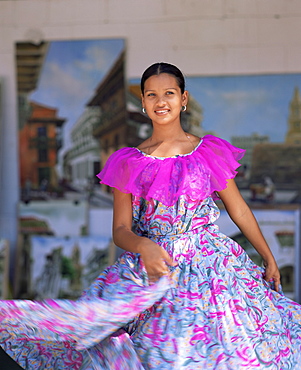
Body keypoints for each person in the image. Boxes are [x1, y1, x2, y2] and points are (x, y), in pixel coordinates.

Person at [0, 62, 301, 370]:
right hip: (154, 272)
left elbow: (238, 209)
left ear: (183, 99)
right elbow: (120, 229)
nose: (161, 101)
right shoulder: (128, 162)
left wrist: (268, 255)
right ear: (143, 103)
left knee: (231, 350)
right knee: (158, 355)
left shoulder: (207, 151)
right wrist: (144, 246)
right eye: (152, 95)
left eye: (169, 93)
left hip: (213, 270)